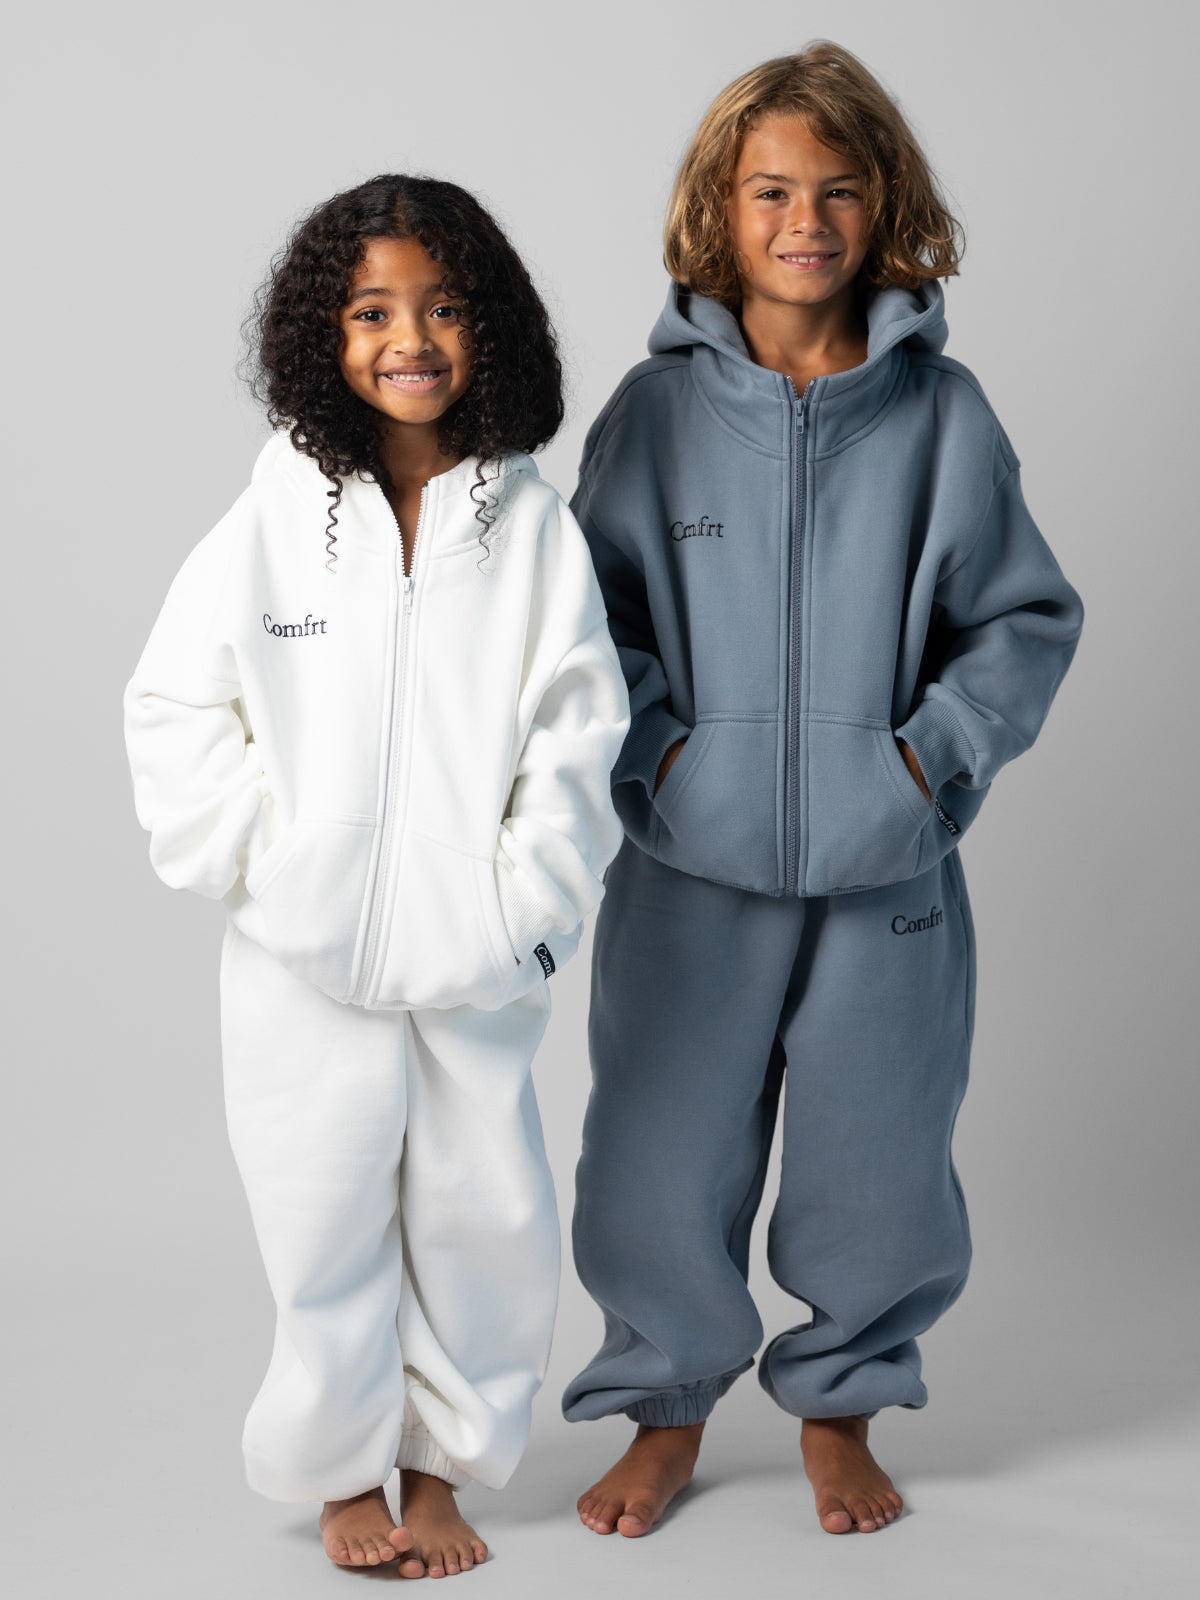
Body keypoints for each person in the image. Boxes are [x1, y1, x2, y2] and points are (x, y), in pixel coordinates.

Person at [563, 43, 1083, 1539]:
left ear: (885, 206)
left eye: (840, 191)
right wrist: (665, 759)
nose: (807, 221)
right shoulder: (652, 418)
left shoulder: (944, 417)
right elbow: (586, 630)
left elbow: (1022, 620)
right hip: (687, 866)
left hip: (887, 870)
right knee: (658, 1152)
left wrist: (922, 766)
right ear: (718, 212)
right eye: (772, 191)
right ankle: (664, 1408)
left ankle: (842, 1406)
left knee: (879, 1159)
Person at [124, 174, 629, 1576]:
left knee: (485, 1217)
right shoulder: (273, 522)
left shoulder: (534, 533)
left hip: (477, 955)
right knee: (321, 1214)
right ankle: (343, 1471)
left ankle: (438, 1469)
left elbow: (580, 735)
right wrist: (267, 874)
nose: (410, 339)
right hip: (301, 961)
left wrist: (525, 914)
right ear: (323, 334)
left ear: (492, 328)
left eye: (444, 307)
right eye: (370, 312)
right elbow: (174, 708)